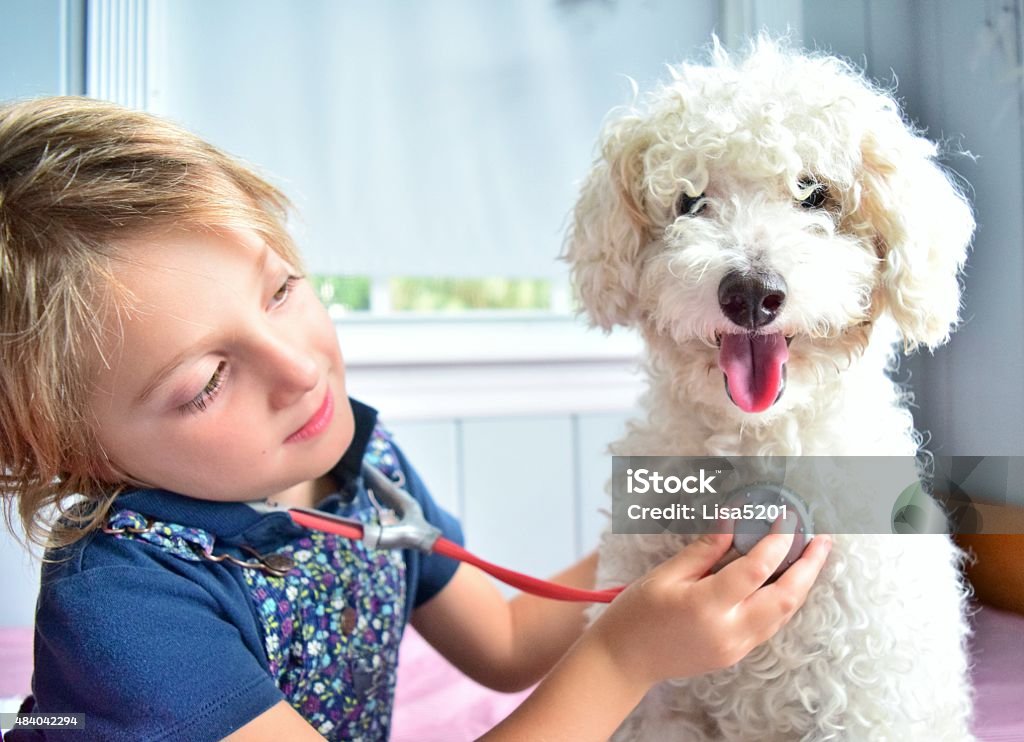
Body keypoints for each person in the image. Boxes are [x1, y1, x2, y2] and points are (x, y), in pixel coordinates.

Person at [0, 97, 832, 741]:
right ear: (66, 449)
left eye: (282, 289)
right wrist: (625, 656)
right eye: (209, 381)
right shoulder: (124, 608)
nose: (300, 369)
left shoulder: (360, 470)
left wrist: (677, 522)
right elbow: (607, 654)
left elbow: (503, 642)